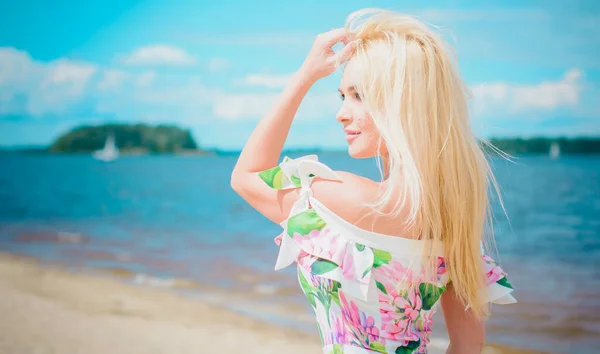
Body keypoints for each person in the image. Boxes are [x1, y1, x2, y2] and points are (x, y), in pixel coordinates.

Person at [231, 8, 516, 354]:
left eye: (359, 95)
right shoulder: (455, 222)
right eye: (342, 96)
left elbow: (246, 177)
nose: (341, 113)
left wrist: (305, 75)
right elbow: (468, 346)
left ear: (401, 105)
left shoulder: (338, 195)